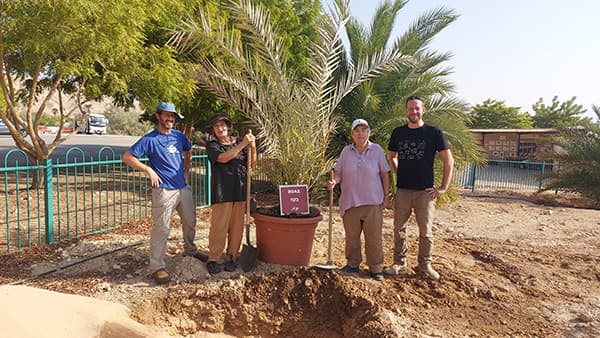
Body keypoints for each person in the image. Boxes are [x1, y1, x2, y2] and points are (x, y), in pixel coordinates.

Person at [122, 102, 206, 285]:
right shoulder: (150, 139)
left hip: (182, 188)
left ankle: (191, 250)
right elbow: (127, 157)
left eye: (173, 116)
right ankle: (157, 267)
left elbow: (188, 150)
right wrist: (149, 170)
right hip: (164, 190)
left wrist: (186, 170)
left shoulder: (179, 136)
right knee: (161, 228)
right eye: (167, 115)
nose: (170, 119)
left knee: (190, 222)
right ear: (158, 116)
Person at [384, 95, 454, 280]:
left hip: (425, 192)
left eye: (417, 108)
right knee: (399, 228)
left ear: (423, 110)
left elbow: (448, 161)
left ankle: (425, 265)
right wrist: (399, 173)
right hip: (403, 191)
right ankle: (399, 263)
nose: (413, 111)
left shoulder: (433, 132)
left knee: (426, 231)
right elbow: (391, 156)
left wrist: (443, 188)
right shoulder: (398, 133)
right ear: (406, 111)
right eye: (410, 108)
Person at [327, 118, 390, 281]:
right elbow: (339, 172)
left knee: (374, 237)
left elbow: (385, 174)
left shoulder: (377, 150)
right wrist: (335, 181)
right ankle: (353, 264)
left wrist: (386, 196)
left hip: (373, 202)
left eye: (364, 130)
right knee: (352, 237)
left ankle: (375, 268)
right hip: (350, 201)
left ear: (369, 132)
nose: (360, 133)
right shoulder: (346, 152)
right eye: (357, 130)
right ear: (352, 134)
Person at [205, 113, 256, 274]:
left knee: (237, 228)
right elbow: (222, 158)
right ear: (213, 130)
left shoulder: (241, 142)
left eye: (222, 125)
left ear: (228, 126)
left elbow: (252, 163)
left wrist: (252, 146)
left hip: (239, 190)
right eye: (216, 126)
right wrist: (243, 145)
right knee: (219, 227)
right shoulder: (212, 145)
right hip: (222, 191)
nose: (220, 129)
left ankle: (231, 257)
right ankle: (214, 258)